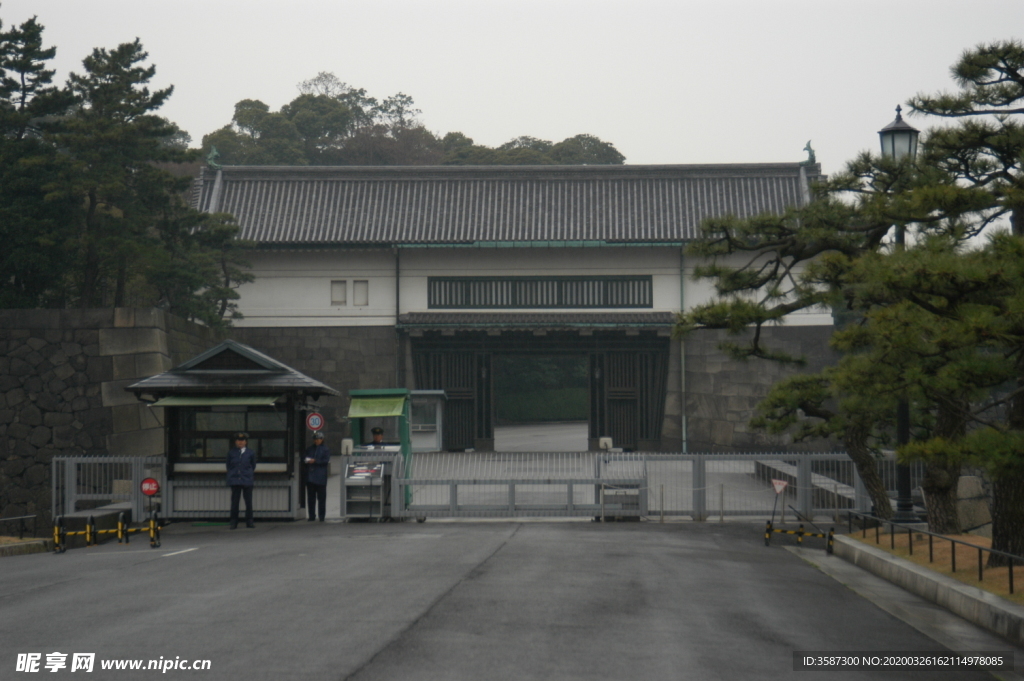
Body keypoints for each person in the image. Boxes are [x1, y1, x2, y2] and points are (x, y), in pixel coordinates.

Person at [226, 432, 256, 529]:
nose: (240, 442)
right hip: (235, 480)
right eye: (238, 441)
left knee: (248, 502)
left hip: (246, 479)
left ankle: (250, 521)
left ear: (246, 442)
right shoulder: (231, 453)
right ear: (235, 442)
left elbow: (253, 466)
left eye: (242, 441)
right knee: (235, 503)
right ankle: (234, 522)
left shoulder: (250, 453)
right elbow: (228, 466)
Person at [304, 431, 331, 521]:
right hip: (311, 478)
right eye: (315, 439)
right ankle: (312, 516)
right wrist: (307, 460)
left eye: (318, 439)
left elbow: (325, 460)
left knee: (321, 498)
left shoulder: (325, 449)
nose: (316, 441)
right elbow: (304, 458)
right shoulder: (310, 449)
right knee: (311, 499)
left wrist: (315, 461)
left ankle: (321, 516)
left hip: (321, 477)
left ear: (322, 439)